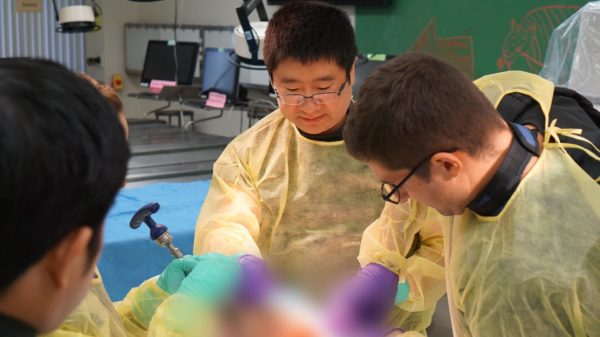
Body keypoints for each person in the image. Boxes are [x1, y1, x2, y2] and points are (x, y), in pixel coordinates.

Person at [193, 1, 446, 333]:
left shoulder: (397, 146)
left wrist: (400, 288)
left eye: (324, 87)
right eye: (292, 90)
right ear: (272, 80)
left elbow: (441, 242)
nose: (309, 105)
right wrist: (244, 267)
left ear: (351, 72)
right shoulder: (249, 154)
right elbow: (223, 230)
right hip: (283, 324)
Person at [343, 52, 600, 336]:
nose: (401, 200)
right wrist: (386, 265)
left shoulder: (512, 287)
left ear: (447, 165)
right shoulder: (495, 108)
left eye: (396, 184)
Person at [0, 58, 249, 337]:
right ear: (67, 254)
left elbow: (91, 326)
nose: (120, 182)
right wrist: (185, 318)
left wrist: (146, 308)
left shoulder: (35, 251)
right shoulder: (62, 244)